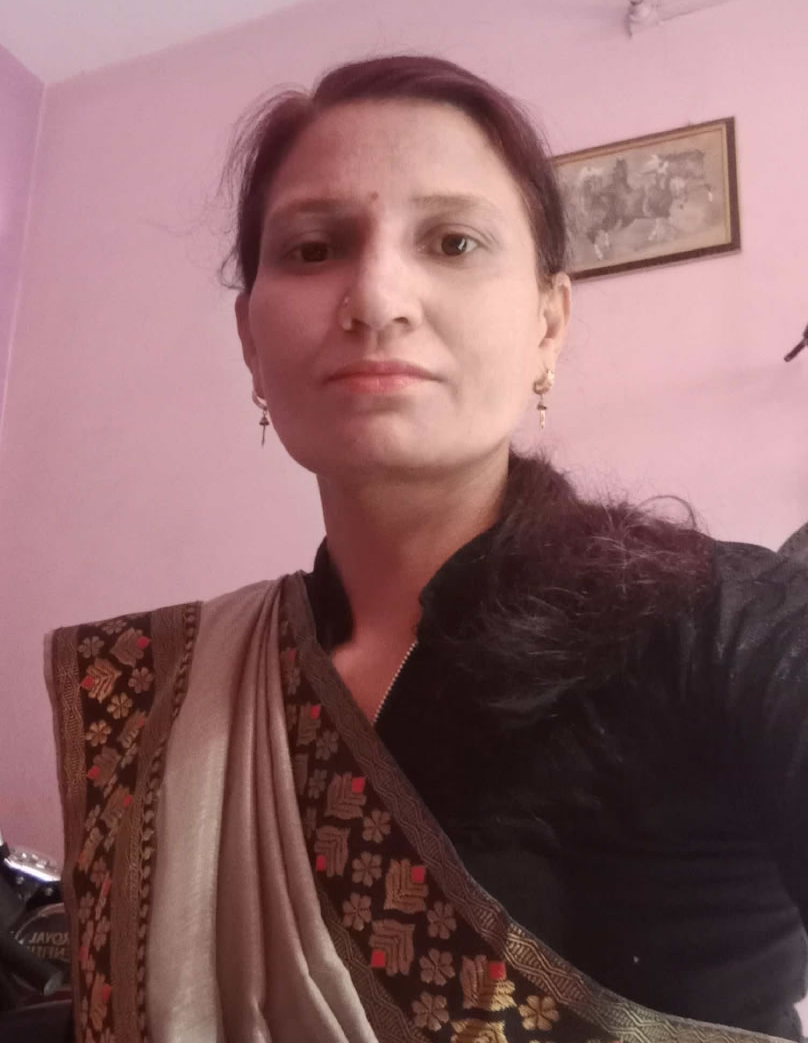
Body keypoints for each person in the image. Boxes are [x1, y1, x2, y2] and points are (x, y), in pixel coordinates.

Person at [43, 54, 808, 1043]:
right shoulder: (170, 690)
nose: (376, 297)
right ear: (250, 341)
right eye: (313, 249)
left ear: (548, 322)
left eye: (453, 241)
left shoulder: (729, 628)